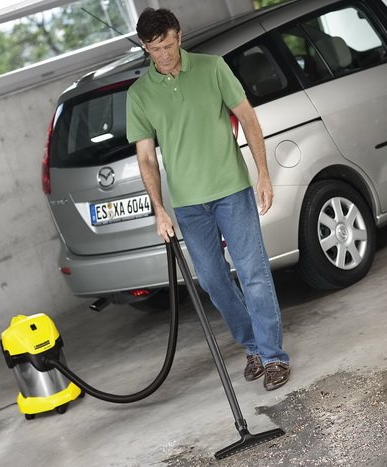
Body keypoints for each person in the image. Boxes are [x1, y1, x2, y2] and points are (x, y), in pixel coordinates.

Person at [126, 7, 290, 390]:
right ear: (145, 47)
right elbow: (146, 157)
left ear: (179, 36)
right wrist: (159, 209)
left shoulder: (213, 68)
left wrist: (263, 174)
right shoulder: (139, 95)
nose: (164, 55)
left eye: (168, 45)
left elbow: (248, 118)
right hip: (188, 205)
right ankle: (253, 346)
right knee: (214, 282)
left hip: (231, 190)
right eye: (155, 49)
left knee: (253, 274)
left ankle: (273, 357)